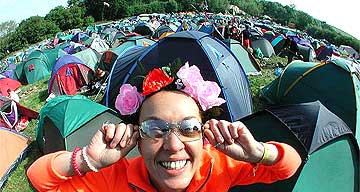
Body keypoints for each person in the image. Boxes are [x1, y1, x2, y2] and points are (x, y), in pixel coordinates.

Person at [27, 62, 301, 191]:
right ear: (138, 139)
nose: (173, 145)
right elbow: (39, 178)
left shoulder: (217, 166)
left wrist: (258, 153)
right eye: (155, 129)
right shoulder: (118, 177)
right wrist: (88, 159)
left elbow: (288, 166)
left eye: (189, 128)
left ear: (205, 135)